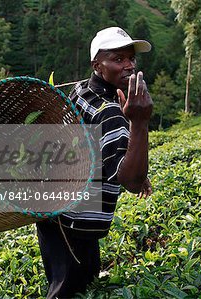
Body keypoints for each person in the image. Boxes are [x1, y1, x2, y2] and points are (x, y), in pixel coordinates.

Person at [35, 26, 153, 298]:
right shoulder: (109, 111)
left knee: (75, 278)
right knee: (69, 289)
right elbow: (131, 182)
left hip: (58, 211)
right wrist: (140, 121)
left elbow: (95, 148)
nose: (129, 66)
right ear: (97, 64)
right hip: (72, 221)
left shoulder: (82, 90)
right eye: (118, 59)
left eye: (131, 59)